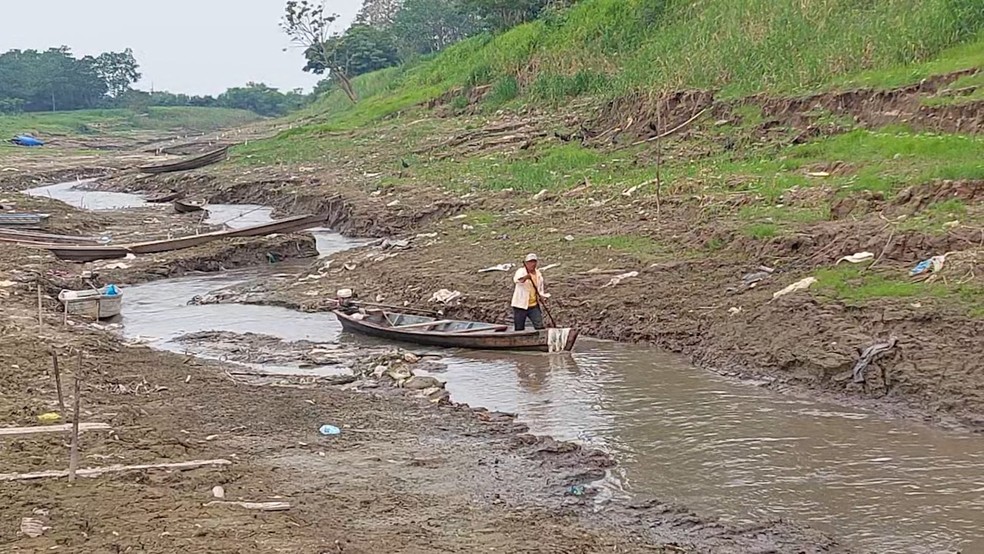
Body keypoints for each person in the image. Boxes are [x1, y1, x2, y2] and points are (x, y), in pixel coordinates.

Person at [512, 253, 549, 331]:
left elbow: (540, 290)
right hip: (520, 305)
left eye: (534, 262)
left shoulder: (538, 274)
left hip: (533, 305)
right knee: (519, 328)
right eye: (530, 262)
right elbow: (517, 280)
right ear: (526, 263)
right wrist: (526, 277)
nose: (532, 264)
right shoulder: (521, 271)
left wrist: (542, 297)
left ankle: (540, 340)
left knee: (539, 326)